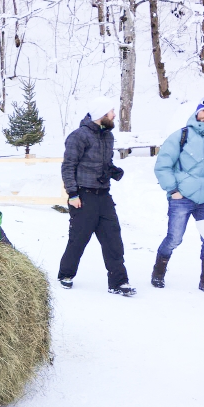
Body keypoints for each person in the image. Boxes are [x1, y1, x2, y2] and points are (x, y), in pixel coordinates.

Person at [58, 96, 136, 295]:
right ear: (102, 114)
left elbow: (103, 163)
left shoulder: (107, 136)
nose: (114, 115)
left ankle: (119, 282)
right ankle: (66, 274)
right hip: (83, 196)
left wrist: (113, 171)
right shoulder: (79, 136)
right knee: (78, 238)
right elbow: (68, 166)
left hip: (104, 195)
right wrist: (73, 194)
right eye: (111, 112)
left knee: (113, 239)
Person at [151, 95, 204, 294]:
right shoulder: (181, 136)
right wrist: (173, 190)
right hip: (182, 197)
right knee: (174, 238)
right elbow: (163, 166)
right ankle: (158, 271)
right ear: (197, 112)